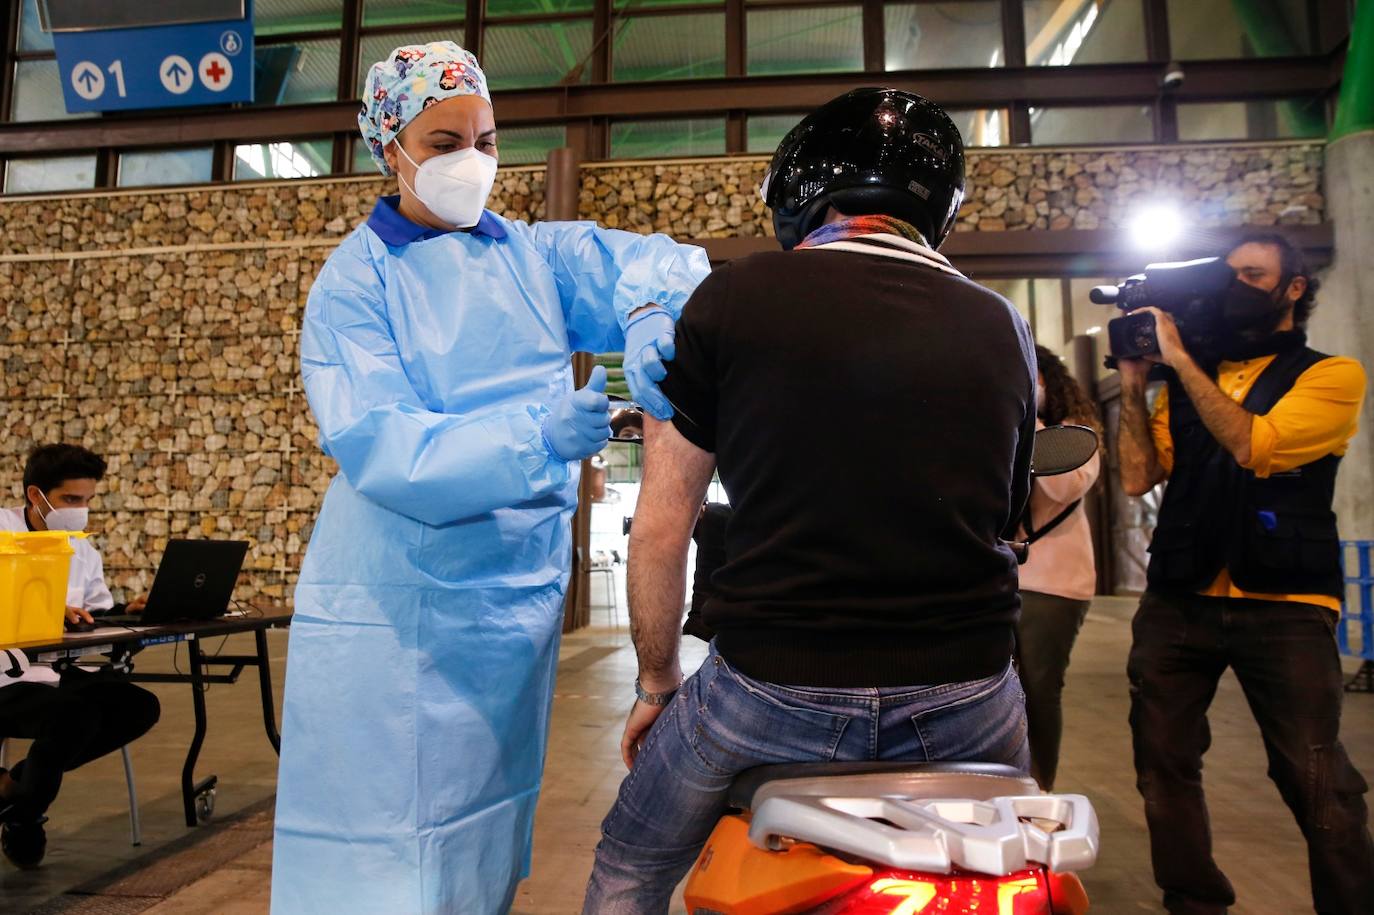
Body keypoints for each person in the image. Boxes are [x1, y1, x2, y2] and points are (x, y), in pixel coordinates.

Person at [270, 41, 710, 915]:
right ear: (388, 146)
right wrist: (535, 435)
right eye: (444, 142)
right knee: (384, 853)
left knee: (480, 834)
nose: (472, 161)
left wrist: (655, 309)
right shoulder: (356, 284)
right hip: (397, 613)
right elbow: (384, 445)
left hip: (511, 606)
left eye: (487, 136)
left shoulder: (529, 257)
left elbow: (650, 260)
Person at [582, 88, 1037, 913]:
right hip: (970, 686)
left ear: (802, 192)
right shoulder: (1002, 324)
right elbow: (1009, 517)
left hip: (772, 684)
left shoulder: (731, 298)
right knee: (1005, 871)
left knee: (630, 864)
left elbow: (660, 528)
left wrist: (655, 685)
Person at [1117, 232, 1374, 914]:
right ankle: (1193, 900)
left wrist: (1178, 358)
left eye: (1253, 275)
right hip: (1179, 597)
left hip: (1285, 603)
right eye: (1227, 275)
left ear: (1293, 288)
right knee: (1161, 765)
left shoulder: (1332, 374)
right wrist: (1137, 382)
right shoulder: (1191, 377)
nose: (1235, 287)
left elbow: (1254, 444)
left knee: (1314, 774)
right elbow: (1140, 475)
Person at [0, 444, 160, 869]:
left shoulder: (82, 549)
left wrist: (127, 612)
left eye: (88, 500)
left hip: (63, 670)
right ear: (36, 495)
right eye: (71, 499)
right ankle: (26, 818)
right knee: (74, 717)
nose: (81, 510)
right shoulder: (0, 532)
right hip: (8, 676)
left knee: (139, 706)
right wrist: (48, 611)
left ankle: (17, 788)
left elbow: (94, 612)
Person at [1015, 345, 1101, 791]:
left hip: (1052, 586)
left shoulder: (1074, 435)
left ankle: (1040, 786)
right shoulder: (1003, 435)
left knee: (1039, 689)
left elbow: (1064, 486)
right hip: (1002, 581)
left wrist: (1032, 418)